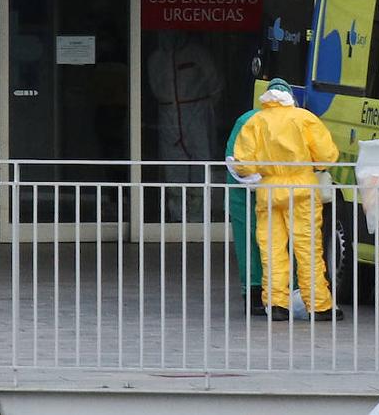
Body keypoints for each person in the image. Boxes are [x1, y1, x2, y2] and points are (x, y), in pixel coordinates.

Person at [233, 78, 342, 322]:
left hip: (269, 190)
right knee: (308, 249)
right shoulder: (304, 118)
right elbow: (327, 155)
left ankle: (276, 305)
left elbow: (242, 163)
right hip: (301, 189)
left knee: (272, 250)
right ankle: (320, 305)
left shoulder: (255, 121)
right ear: (289, 97)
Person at [146, 31, 222, 221]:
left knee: (201, 162)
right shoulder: (156, 58)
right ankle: (177, 218)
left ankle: (199, 219)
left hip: (196, 111)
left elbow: (215, 82)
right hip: (167, 115)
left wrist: (208, 108)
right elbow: (153, 86)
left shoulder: (197, 54)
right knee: (173, 165)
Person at [225, 106, 264, 306]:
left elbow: (236, 161)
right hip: (282, 193)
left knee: (249, 241)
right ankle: (281, 297)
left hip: (250, 193)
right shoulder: (299, 118)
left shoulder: (247, 119)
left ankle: (255, 293)